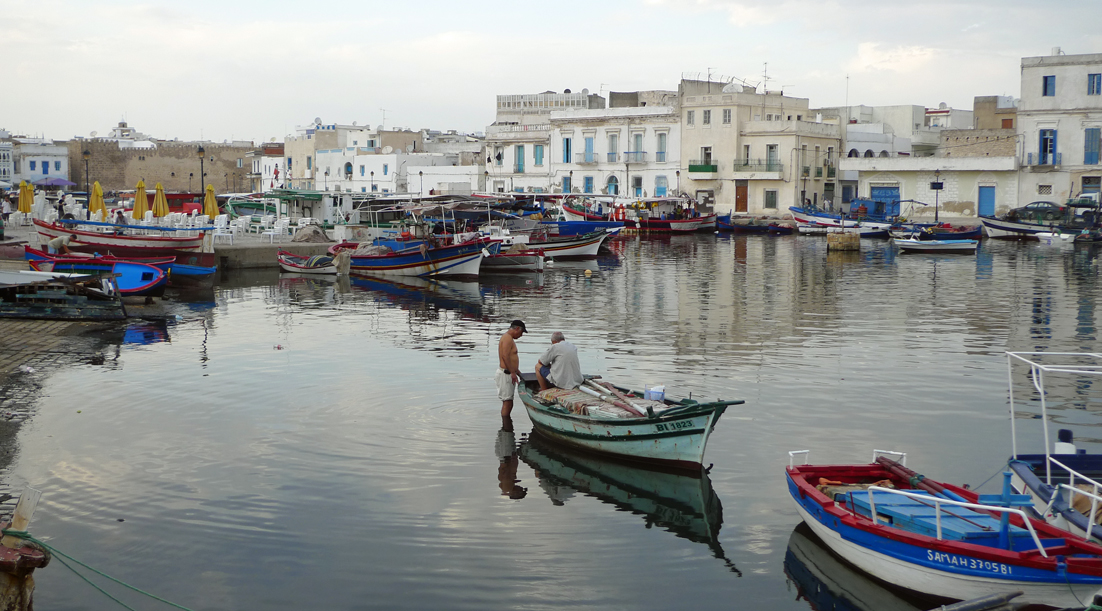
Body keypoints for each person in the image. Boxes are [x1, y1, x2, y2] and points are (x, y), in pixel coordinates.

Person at [496, 320, 526, 416]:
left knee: (509, 402)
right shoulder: (507, 338)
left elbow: (510, 358)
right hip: (506, 374)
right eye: (521, 332)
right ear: (517, 328)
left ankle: (507, 425)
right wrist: (512, 373)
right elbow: (505, 356)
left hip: (509, 372)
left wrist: (517, 372)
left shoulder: (509, 338)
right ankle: (505, 428)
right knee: (507, 402)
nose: (521, 335)